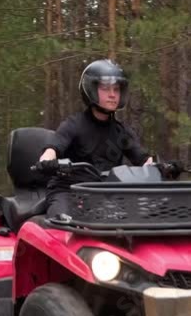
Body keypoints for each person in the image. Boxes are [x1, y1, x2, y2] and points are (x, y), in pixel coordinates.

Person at [37, 59, 154, 220]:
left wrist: (162, 167)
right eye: (105, 88)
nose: (113, 94)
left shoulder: (122, 131)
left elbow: (143, 159)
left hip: (105, 194)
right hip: (69, 191)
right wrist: (47, 160)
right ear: (90, 90)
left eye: (116, 89)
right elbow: (54, 147)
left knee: (143, 217)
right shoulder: (73, 124)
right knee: (62, 223)